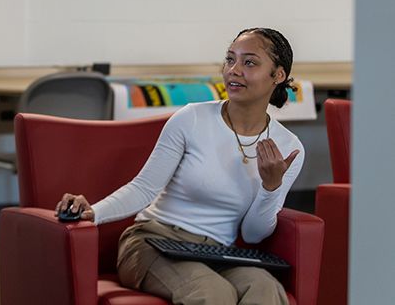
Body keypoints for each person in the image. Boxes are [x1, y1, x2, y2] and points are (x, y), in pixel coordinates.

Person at [56, 28, 304, 305]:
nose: (234, 70)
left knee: (266, 290)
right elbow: (143, 188)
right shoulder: (192, 119)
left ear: (278, 75)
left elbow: (252, 234)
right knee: (212, 294)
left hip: (218, 251)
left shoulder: (288, 146)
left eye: (249, 62)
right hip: (153, 241)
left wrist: (271, 187)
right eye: (230, 59)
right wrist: (93, 212)